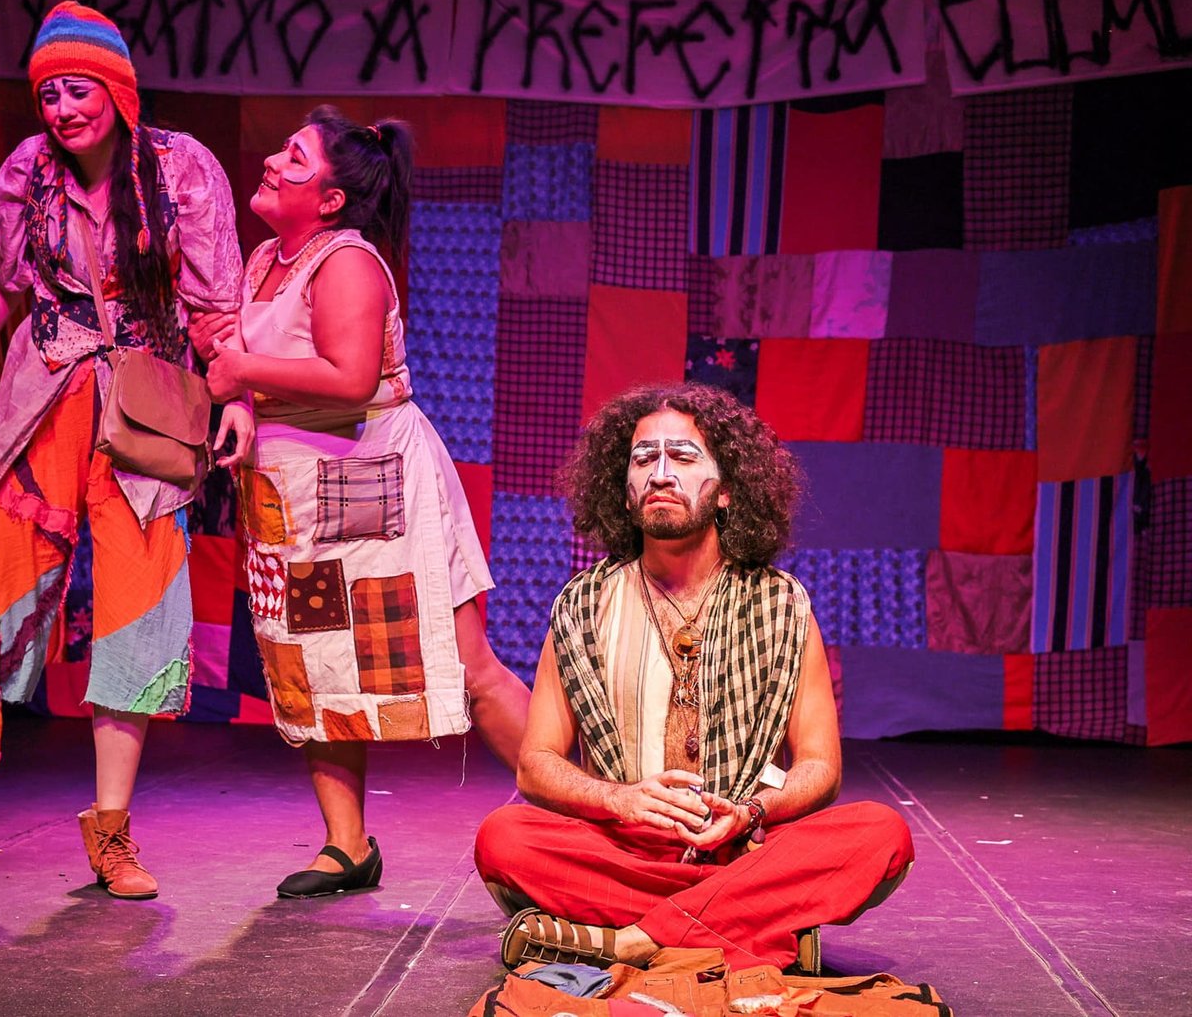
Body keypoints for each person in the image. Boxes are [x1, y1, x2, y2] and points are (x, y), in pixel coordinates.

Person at [0, 2, 249, 899]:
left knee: (138, 609)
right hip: (44, 398)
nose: (63, 109)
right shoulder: (27, 172)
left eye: (79, 90)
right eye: (49, 94)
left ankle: (112, 832)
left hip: (145, 412)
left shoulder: (181, 168)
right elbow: (6, 282)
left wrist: (238, 399)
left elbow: (217, 305)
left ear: (117, 90)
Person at [192, 107, 530, 898]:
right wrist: (234, 390)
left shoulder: (345, 260)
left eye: (296, 158)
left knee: (469, 665)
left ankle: (587, 815)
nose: (272, 162)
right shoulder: (263, 259)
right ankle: (348, 845)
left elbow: (350, 377)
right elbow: (256, 366)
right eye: (283, 150)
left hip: (378, 490)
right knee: (317, 670)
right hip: (298, 501)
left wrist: (240, 371)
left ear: (332, 199)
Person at [473, 383, 914, 971]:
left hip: (742, 851)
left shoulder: (782, 606)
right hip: (625, 850)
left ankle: (631, 941)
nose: (659, 474)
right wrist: (619, 799)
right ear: (623, 490)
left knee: (881, 834)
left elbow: (820, 768)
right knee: (505, 837)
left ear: (728, 489)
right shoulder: (582, 606)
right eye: (642, 460)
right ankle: (749, 925)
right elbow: (536, 765)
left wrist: (750, 812)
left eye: (682, 457)